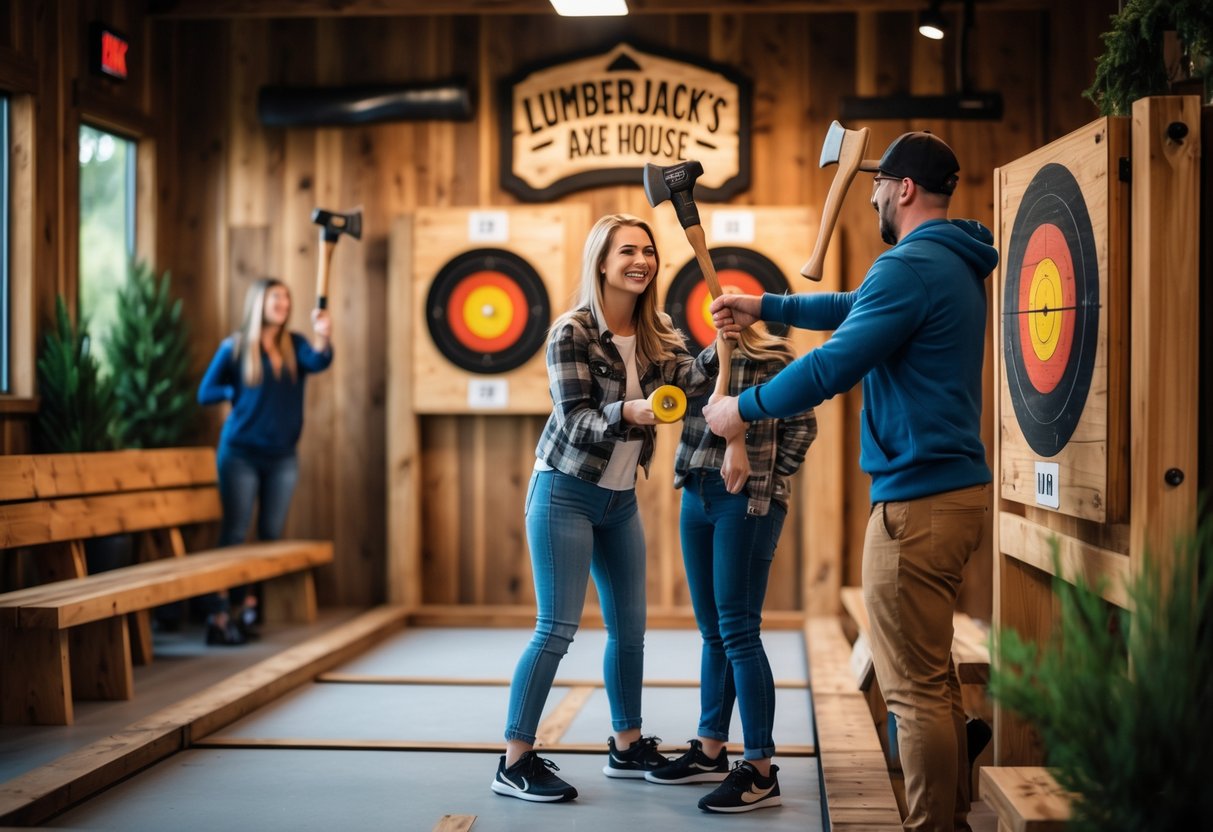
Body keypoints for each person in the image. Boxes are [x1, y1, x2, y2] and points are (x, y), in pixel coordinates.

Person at [705, 131, 998, 832]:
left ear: (901, 188)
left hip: (916, 505)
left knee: (915, 692)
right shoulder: (945, 261)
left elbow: (831, 365)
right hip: (952, 495)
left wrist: (738, 411)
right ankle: (950, 817)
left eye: (875, 186)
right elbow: (854, 305)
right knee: (931, 680)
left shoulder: (911, 267)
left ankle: (931, 826)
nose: (865, 196)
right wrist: (766, 307)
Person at [491, 213, 721, 804]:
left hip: (619, 501)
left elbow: (687, 381)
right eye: (627, 251)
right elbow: (577, 420)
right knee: (556, 629)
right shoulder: (571, 332)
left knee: (631, 630)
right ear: (601, 262)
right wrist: (630, 412)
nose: (641, 260)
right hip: (563, 493)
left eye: (648, 251)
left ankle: (626, 743)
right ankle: (514, 759)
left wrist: (720, 351)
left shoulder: (657, 328)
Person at [645, 317, 816, 814]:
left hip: (747, 500)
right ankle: (710, 749)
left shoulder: (777, 362)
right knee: (712, 631)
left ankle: (761, 770)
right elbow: (678, 400)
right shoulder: (703, 364)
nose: (726, 322)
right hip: (696, 495)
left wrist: (765, 470)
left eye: (734, 314)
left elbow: (803, 427)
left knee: (739, 630)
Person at [197, 278, 333, 646]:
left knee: (270, 536)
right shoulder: (236, 347)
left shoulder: (296, 345)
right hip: (240, 453)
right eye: (277, 297)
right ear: (259, 302)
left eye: (287, 298)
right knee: (236, 533)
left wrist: (324, 334)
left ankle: (245, 607)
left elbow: (320, 361)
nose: (284, 303)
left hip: (282, 457)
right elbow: (204, 392)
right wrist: (238, 393)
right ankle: (219, 613)